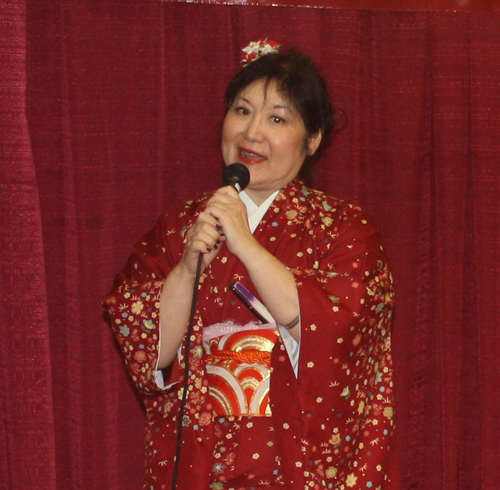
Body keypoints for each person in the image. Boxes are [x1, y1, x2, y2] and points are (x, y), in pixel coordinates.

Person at [104, 39, 399, 490]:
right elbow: (149, 353)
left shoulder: (345, 229)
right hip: (200, 455)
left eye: (276, 118)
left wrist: (243, 242)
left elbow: (344, 332)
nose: (251, 133)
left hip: (298, 455)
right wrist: (185, 269)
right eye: (242, 111)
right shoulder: (177, 228)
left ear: (313, 138)